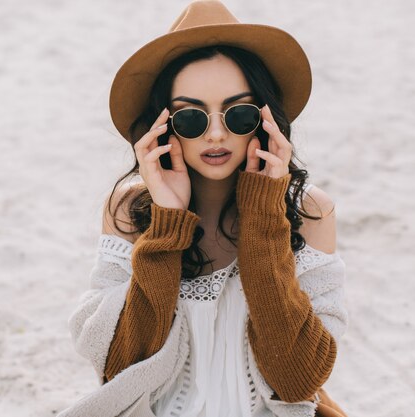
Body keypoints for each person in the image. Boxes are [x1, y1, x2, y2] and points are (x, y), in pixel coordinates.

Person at [57, 1, 349, 416]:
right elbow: (119, 365)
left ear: (267, 119)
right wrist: (167, 224)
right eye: (192, 117)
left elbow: (299, 379)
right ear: (163, 123)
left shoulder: (309, 211)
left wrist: (264, 217)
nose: (215, 134)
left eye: (239, 114)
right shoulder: (128, 207)